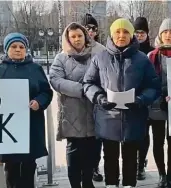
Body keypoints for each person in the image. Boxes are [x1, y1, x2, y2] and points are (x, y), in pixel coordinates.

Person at [83, 18, 161, 188]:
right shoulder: (100, 58)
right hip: (107, 116)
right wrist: (99, 98)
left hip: (134, 116)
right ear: (112, 34)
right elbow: (88, 83)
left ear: (131, 34)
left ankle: (129, 185)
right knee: (110, 157)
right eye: (117, 32)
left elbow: (153, 86)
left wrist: (141, 100)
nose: (121, 35)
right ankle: (111, 184)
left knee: (130, 157)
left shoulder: (142, 59)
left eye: (125, 32)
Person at [0, 33, 53, 188]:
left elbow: (46, 91)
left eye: (21, 47)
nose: (18, 50)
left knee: (29, 165)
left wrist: (39, 102)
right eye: (13, 46)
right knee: (11, 167)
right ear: (6, 49)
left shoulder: (35, 69)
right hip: (7, 125)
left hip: (30, 123)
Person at [50, 22, 106, 188]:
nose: (76, 39)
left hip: (93, 110)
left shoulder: (96, 56)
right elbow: (55, 80)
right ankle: (75, 184)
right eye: (72, 36)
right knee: (74, 150)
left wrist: (95, 91)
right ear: (67, 39)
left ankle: (88, 182)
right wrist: (82, 89)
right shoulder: (61, 58)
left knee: (91, 151)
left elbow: (104, 77)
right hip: (72, 111)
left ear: (86, 37)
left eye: (79, 36)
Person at [147, 18, 171, 188]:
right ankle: (161, 174)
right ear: (160, 35)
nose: (168, 35)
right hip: (156, 103)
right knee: (158, 140)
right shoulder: (152, 55)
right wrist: (158, 97)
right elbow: (147, 81)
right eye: (165, 32)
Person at [81, 13, 106, 182]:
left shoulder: (102, 49)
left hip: (98, 99)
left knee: (97, 137)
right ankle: (82, 168)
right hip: (79, 99)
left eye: (93, 28)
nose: (90, 31)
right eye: (87, 28)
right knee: (81, 138)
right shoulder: (72, 46)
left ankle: (94, 167)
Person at [132, 16, 155, 181]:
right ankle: (134, 164)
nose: (140, 35)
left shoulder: (152, 52)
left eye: (142, 32)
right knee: (134, 134)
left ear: (147, 34)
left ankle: (141, 165)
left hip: (147, 99)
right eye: (137, 32)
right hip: (132, 99)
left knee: (145, 134)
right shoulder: (129, 50)